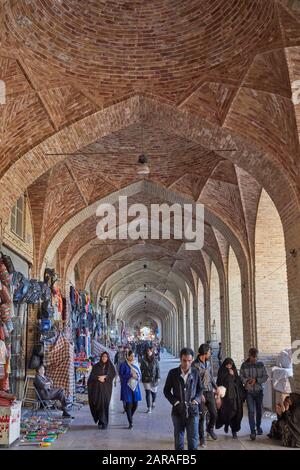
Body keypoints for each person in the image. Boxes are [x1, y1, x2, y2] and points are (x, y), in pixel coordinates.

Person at [164, 347, 203, 451]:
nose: (187, 364)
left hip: (193, 411)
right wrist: (176, 403)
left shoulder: (195, 373)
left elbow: (200, 389)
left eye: (189, 361)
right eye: (184, 361)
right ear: (181, 359)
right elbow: (166, 391)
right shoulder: (173, 373)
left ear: (192, 360)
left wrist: (196, 400)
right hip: (178, 412)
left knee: (193, 440)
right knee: (179, 440)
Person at [240, 347, 268, 440]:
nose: (255, 359)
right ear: (249, 356)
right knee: (251, 412)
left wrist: (256, 380)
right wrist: (247, 381)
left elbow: (265, 376)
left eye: (256, 357)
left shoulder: (261, 364)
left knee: (259, 411)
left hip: (259, 391)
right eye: (253, 357)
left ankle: (258, 426)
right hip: (249, 392)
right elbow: (241, 377)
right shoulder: (244, 365)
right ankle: (252, 431)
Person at [193, 343, 218, 446]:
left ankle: (210, 429)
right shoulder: (195, 365)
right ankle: (201, 438)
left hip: (210, 391)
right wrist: (199, 394)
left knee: (214, 414)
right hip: (201, 394)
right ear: (205, 352)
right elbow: (194, 381)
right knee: (202, 416)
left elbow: (211, 376)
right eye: (209, 352)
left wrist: (216, 388)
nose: (210, 353)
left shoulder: (208, 362)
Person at [216, 358, 245, 439]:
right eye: (227, 365)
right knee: (226, 413)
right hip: (225, 398)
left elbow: (238, 383)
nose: (229, 366)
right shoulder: (221, 371)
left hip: (235, 397)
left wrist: (233, 375)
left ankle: (234, 430)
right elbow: (219, 383)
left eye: (230, 365)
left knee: (235, 412)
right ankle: (226, 424)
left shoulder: (234, 371)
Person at [87, 351, 116, 429]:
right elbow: (91, 377)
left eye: (106, 357)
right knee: (98, 405)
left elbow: (113, 374)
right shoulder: (96, 366)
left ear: (108, 358)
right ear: (101, 357)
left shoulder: (110, 366)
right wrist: (98, 378)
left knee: (105, 405)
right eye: (103, 356)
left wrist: (105, 378)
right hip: (97, 390)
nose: (104, 358)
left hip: (106, 389)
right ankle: (100, 420)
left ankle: (104, 423)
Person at [119, 350, 142, 429]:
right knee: (128, 404)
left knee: (135, 404)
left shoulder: (136, 364)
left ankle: (130, 416)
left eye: (133, 356)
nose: (132, 357)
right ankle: (130, 422)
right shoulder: (123, 365)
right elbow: (121, 376)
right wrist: (130, 375)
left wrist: (137, 377)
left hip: (135, 387)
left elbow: (140, 375)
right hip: (126, 387)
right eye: (131, 356)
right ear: (127, 356)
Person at [140, 347, 160, 413]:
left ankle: (153, 401)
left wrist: (158, 377)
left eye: (150, 351)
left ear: (152, 352)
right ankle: (149, 407)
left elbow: (158, 369)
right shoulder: (143, 360)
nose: (148, 352)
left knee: (153, 392)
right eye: (147, 351)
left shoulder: (155, 360)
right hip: (146, 378)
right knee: (147, 393)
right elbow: (141, 369)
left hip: (154, 379)